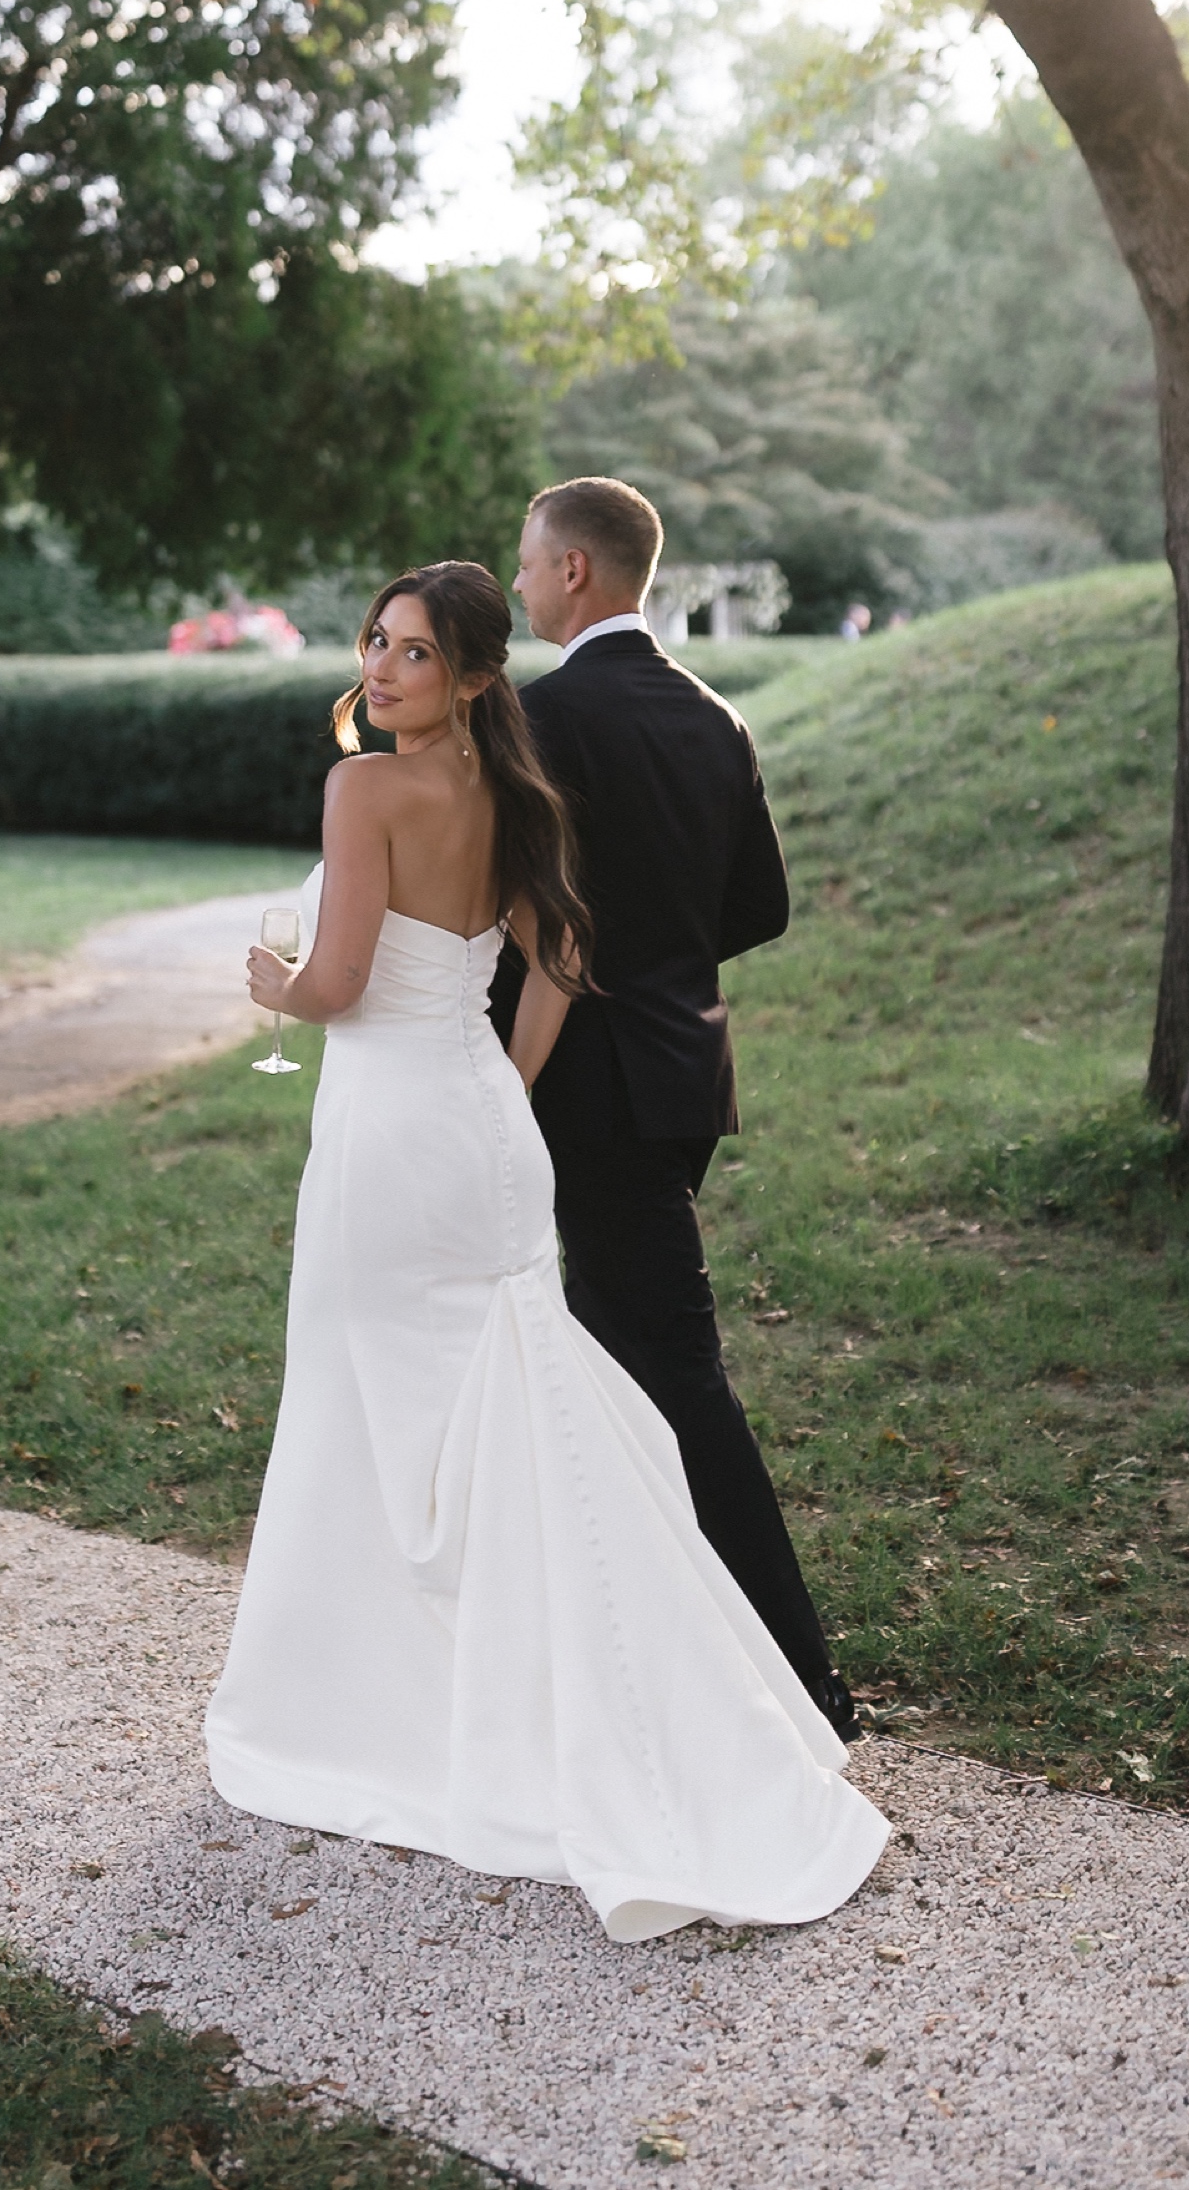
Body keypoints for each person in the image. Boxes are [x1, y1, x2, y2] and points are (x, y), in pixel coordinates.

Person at [206, 560, 886, 1941]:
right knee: (510, 1408)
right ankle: (610, 1693)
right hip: (481, 1132)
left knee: (362, 1401)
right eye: (374, 646)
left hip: (397, 1137)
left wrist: (272, 989)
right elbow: (563, 958)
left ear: (466, 677)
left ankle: (377, 1705)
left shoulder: (363, 791)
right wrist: (503, 1088)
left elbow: (337, 988)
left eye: (411, 654)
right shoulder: (512, 792)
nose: (382, 670)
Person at [501, 478, 860, 1744]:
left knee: (676, 1374)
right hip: (684, 1076)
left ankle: (799, 1680)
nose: (519, 584)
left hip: (587, 1089)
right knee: (612, 1363)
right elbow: (755, 908)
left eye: (530, 565)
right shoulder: (713, 715)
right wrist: (661, 959)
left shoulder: (542, 719)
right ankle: (647, 1651)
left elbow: (525, 914)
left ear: (579, 576)